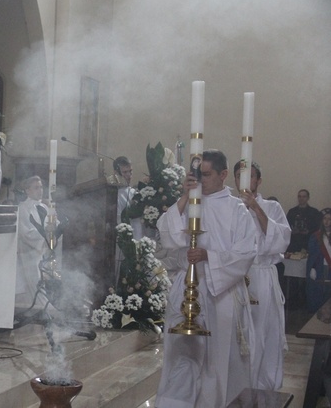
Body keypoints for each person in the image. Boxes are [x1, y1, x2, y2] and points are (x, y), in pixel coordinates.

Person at [155, 149, 256, 408]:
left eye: (207, 175)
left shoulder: (237, 209)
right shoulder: (190, 201)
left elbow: (246, 253)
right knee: (182, 357)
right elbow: (168, 237)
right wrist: (185, 195)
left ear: (224, 175)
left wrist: (208, 256)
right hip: (186, 289)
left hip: (222, 292)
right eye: (198, 175)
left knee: (219, 362)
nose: (202, 180)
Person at [233, 161, 291, 391]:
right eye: (240, 176)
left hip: (262, 276)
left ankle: (266, 386)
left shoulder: (272, 207)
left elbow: (281, 239)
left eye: (250, 176)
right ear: (234, 179)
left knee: (265, 331)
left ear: (259, 180)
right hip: (236, 276)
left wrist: (256, 208)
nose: (245, 181)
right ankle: (239, 385)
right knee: (240, 333)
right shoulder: (230, 207)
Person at [16, 176, 51, 308]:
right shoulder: (23, 208)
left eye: (41, 187)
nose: (40, 190)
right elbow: (26, 232)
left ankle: (44, 308)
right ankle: (43, 309)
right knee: (35, 281)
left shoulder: (44, 207)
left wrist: (53, 233)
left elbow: (53, 225)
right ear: (27, 191)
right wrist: (45, 237)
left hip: (44, 250)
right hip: (29, 252)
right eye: (36, 188)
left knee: (45, 280)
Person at [107, 156, 136, 282]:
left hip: (134, 238)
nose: (129, 175)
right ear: (116, 173)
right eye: (125, 172)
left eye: (130, 171)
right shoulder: (109, 193)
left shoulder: (135, 193)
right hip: (116, 239)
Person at [306, 208, 331, 313]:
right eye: (324, 218)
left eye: (329, 219)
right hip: (320, 268)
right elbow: (312, 254)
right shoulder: (316, 236)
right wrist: (313, 268)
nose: (326, 221)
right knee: (319, 292)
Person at [286, 189, 321, 255]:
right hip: (294, 243)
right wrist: (291, 231)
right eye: (299, 196)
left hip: (308, 243)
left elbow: (317, 227)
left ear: (308, 198)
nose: (301, 198)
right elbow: (286, 226)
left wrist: (308, 231)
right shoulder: (292, 212)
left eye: (304, 196)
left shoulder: (314, 212)